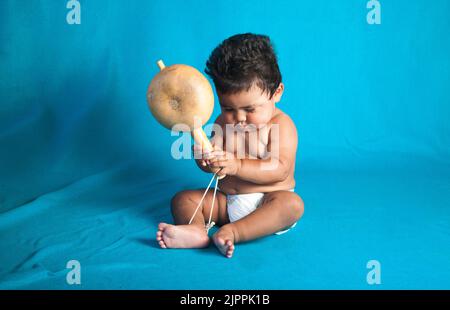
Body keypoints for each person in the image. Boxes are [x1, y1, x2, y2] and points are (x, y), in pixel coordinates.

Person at [156, 33, 304, 258]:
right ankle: (195, 230)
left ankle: (233, 232)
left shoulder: (281, 124)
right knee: (183, 199)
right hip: (226, 203)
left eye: (250, 109)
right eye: (228, 108)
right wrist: (205, 159)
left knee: (292, 205)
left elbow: (280, 168)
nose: (238, 118)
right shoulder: (222, 123)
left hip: (266, 202)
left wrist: (236, 166)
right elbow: (211, 166)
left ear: (277, 93)